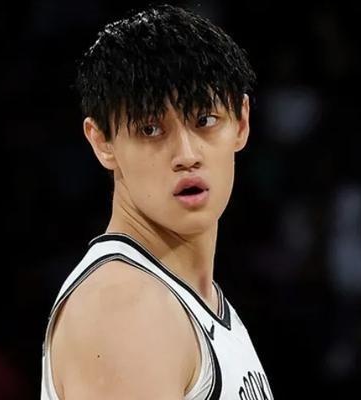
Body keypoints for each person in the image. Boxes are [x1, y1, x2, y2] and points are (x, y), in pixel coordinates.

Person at [40, 4, 274, 399]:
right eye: (150, 129)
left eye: (204, 120)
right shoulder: (125, 309)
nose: (187, 155)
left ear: (242, 121)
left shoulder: (188, 300)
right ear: (102, 142)